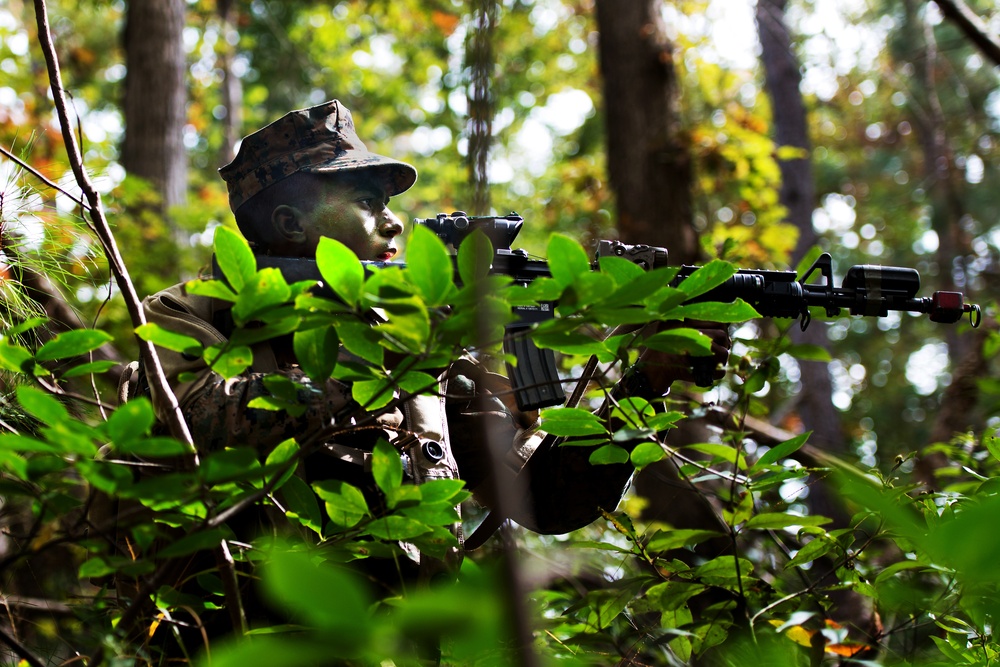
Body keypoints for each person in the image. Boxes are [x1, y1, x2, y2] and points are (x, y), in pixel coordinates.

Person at [134, 99, 730, 641]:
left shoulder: (418, 343)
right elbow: (198, 425)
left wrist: (647, 382)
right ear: (291, 223)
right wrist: (381, 355)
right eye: (368, 204)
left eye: (388, 204)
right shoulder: (189, 313)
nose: (395, 223)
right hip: (234, 641)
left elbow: (547, 497)